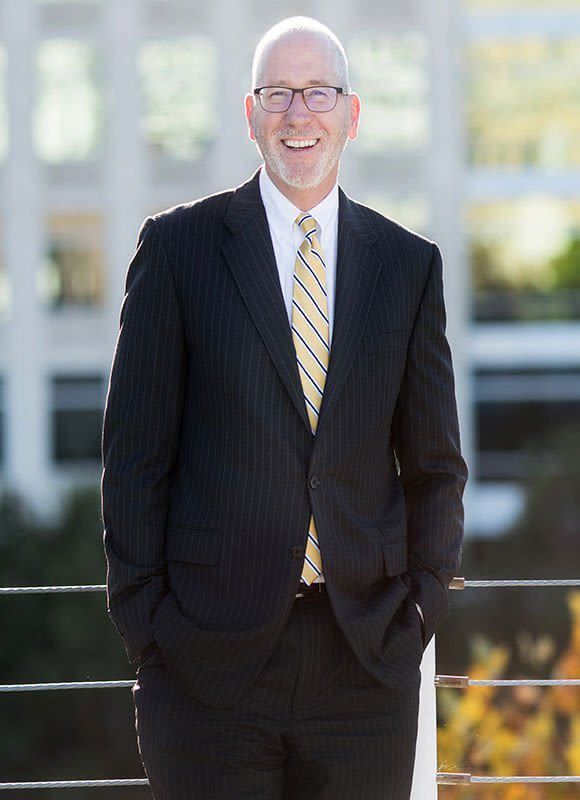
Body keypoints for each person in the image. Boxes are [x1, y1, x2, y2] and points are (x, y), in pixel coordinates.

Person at [101, 15, 468, 800]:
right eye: (278, 93)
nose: (298, 114)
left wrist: (419, 615)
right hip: (207, 666)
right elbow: (134, 460)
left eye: (318, 93)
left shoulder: (409, 266)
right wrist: (150, 633)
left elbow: (435, 466)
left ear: (351, 113)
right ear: (250, 113)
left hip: (365, 664)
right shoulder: (178, 250)